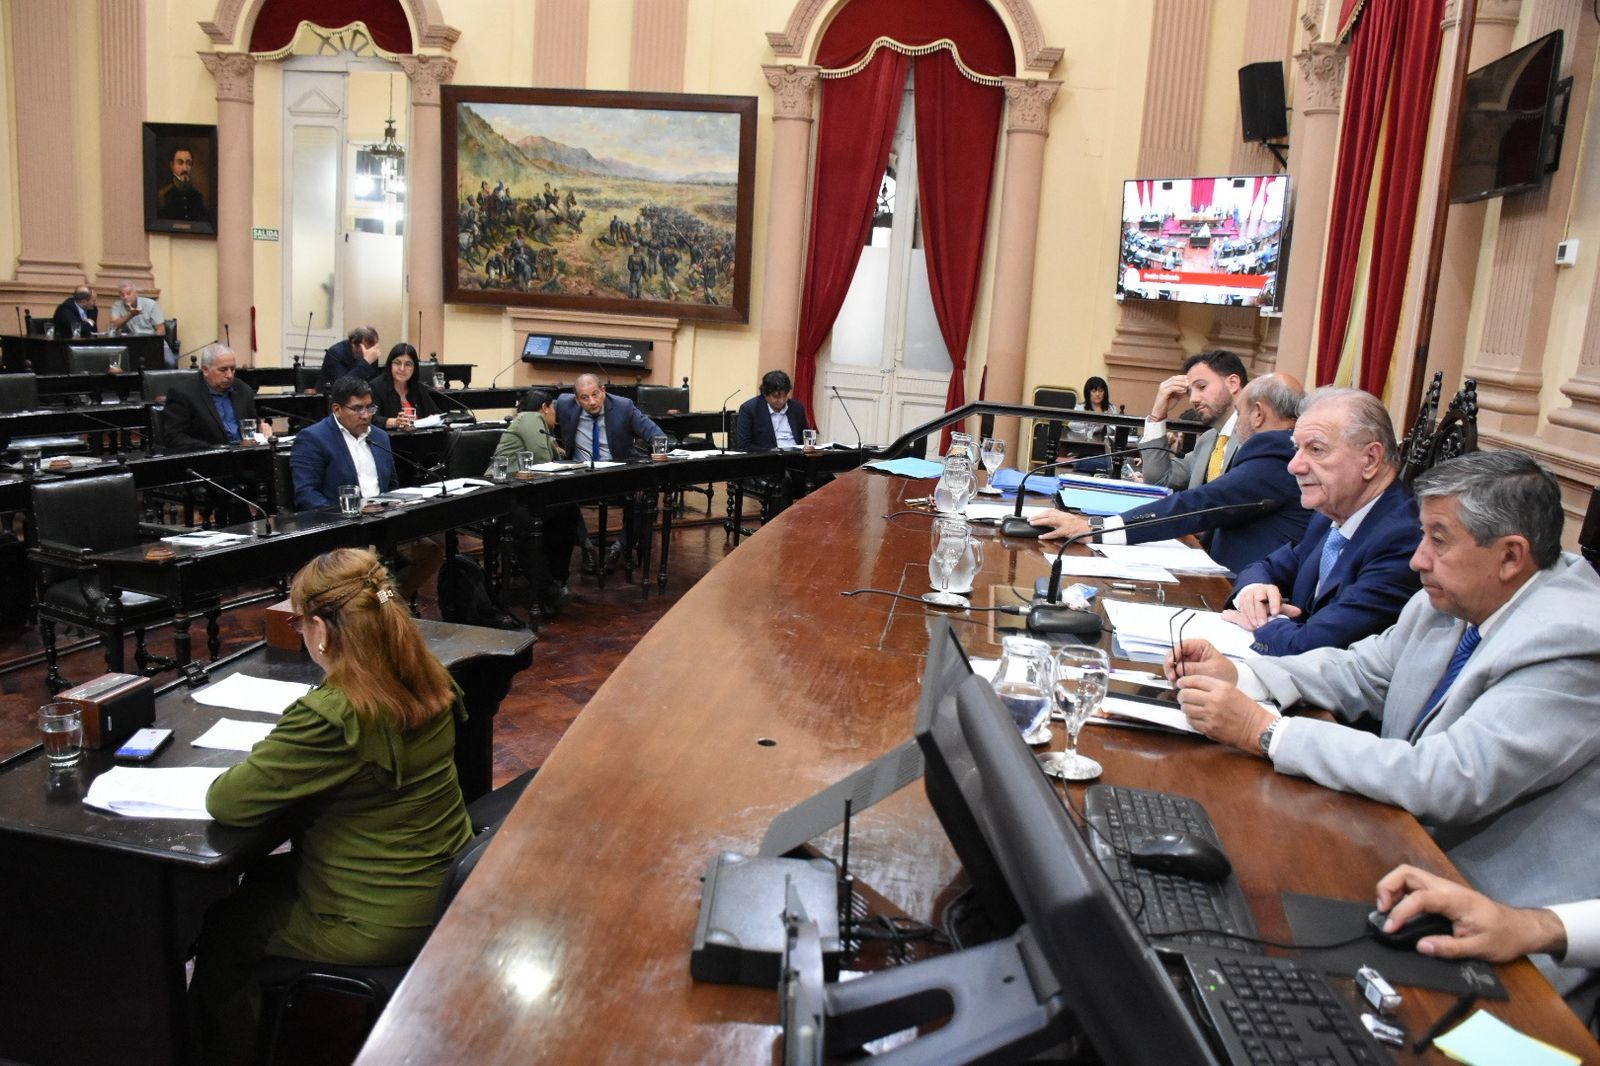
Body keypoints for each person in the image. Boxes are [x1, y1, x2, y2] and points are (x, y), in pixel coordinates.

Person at [1167, 451, 1600, 993]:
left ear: (1510, 556)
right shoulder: (1463, 594)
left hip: (1501, 926)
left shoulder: (1572, 640)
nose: (1418, 559)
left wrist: (1266, 731)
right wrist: (1244, 675)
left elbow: (1449, 778)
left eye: (1438, 540)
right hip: (1400, 852)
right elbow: (1362, 670)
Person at [188, 548, 473, 1064]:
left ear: (320, 629)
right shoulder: (423, 672)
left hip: (377, 921)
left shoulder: (334, 715)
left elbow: (227, 801)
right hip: (441, 890)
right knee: (263, 881)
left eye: (299, 622)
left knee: (226, 930)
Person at [1028, 374, 1311, 573]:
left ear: (1258, 414)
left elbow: (1199, 504)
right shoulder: (1278, 451)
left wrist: (1094, 529)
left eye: (1240, 413)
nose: (1236, 424)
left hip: (1243, 594)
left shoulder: (1275, 456)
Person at [1225, 387, 1421, 654]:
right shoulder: (1329, 516)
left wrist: (1263, 622)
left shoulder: (1403, 539)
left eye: (1316, 449)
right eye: (1297, 449)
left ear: (1370, 459)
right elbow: (1265, 567)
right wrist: (1253, 591)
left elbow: (1317, 644)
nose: (1294, 466)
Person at [291, 375, 443, 599]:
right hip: (343, 529)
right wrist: (347, 516)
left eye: (370, 407)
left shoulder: (380, 436)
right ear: (337, 409)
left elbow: (391, 485)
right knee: (370, 571)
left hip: (382, 524)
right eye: (357, 409)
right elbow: (306, 494)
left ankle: (386, 604)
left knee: (430, 553)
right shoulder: (313, 438)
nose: (365, 415)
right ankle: (380, 605)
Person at [555, 373, 665, 568]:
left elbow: (657, 436)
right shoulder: (564, 404)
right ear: (576, 399)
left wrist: (647, 469)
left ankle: (620, 547)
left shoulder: (624, 407)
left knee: (645, 497)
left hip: (617, 475)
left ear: (603, 391)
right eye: (584, 398)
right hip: (579, 475)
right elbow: (537, 411)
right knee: (556, 495)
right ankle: (586, 545)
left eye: (595, 394)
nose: (592, 402)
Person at [492, 388, 581, 610]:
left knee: (567, 510)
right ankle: (546, 590)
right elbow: (542, 460)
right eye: (554, 410)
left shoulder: (537, 426)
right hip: (502, 492)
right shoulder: (530, 418)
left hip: (524, 491)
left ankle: (557, 580)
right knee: (526, 523)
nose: (555, 417)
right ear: (545, 407)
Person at [1139, 349, 1249, 489]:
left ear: (1233, 383)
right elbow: (1158, 481)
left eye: (1202, 387)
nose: (1193, 399)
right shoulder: (1207, 441)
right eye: (1189, 392)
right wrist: (1157, 416)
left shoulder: (1255, 435)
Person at [160, 343, 272, 450]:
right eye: (223, 370)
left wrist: (262, 426)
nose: (229, 375)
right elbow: (173, 437)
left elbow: (252, 422)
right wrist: (218, 448)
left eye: (233, 369)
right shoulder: (184, 394)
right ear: (205, 370)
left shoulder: (243, 390)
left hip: (246, 456)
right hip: (208, 458)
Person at [732, 369, 808, 451]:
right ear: (765, 394)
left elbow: (805, 437)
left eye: (785, 396)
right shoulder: (750, 409)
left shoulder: (797, 408)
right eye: (776, 397)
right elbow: (744, 445)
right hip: (768, 456)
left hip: (797, 455)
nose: (781, 400)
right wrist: (768, 451)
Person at [372, 343, 442, 431]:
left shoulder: (419, 388)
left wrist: (433, 418)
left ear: (414, 368)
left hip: (420, 437)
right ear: (390, 365)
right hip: (390, 438)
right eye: (397, 363)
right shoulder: (377, 387)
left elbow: (437, 414)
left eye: (408, 364)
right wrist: (395, 422)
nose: (402, 369)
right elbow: (372, 419)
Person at [317, 326, 384, 393]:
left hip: (362, 394)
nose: (369, 352)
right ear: (354, 343)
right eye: (366, 348)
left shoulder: (372, 353)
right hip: (334, 395)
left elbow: (373, 383)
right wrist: (366, 363)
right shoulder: (335, 353)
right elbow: (341, 387)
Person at [157, 146, 209, 222]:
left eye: (188, 163)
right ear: (172, 166)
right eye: (180, 162)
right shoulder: (163, 196)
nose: (185, 168)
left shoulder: (199, 196)